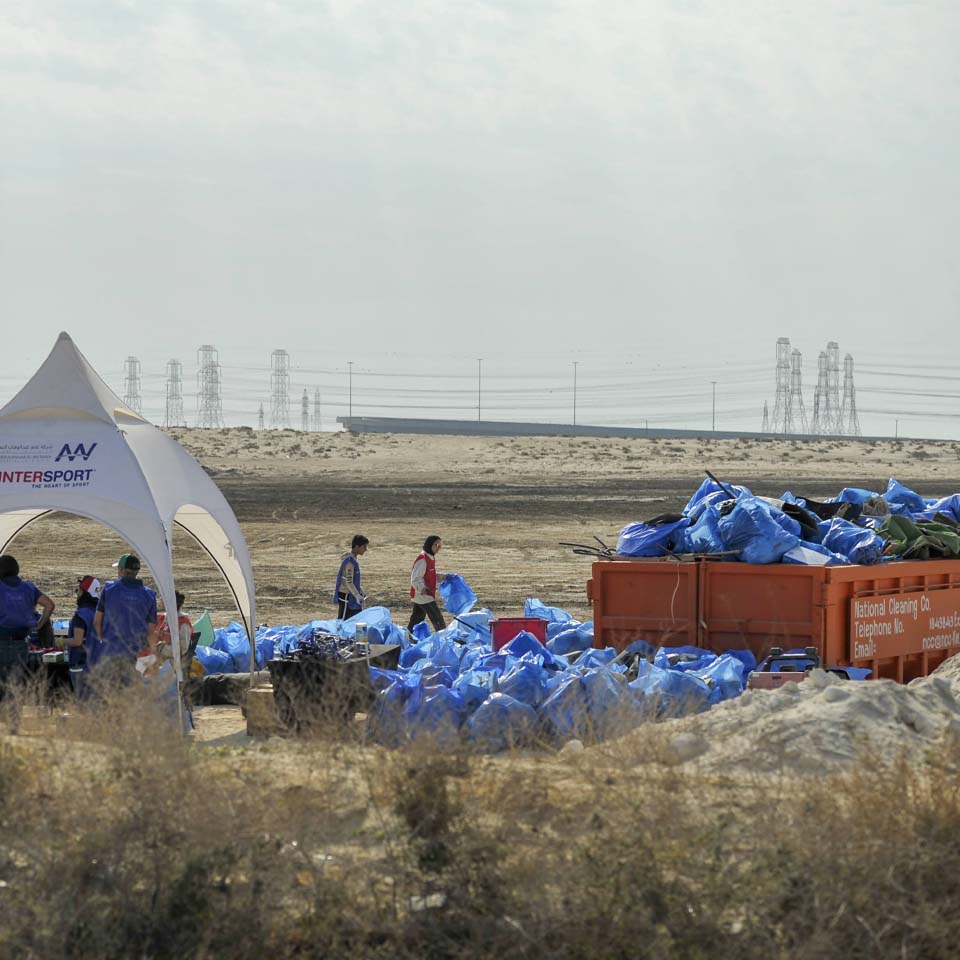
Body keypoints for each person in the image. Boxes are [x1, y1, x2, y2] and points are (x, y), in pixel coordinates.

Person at [93, 553, 157, 687]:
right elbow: (151, 632)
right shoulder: (149, 595)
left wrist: (102, 641)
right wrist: (153, 655)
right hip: (135, 654)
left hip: (111, 652)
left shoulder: (109, 590)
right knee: (131, 693)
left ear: (122, 570)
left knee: (111, 692)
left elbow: (97, 622)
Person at [0, 554, 55, 693]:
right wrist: (39, 624)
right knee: (16, 688)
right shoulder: (29, 588)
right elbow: (49, 604)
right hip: (21, 645)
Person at [66, 575, 102, 697]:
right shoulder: (101, 613)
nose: (78, 593)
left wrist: (61, 642)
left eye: (79, 590)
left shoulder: (81, 615)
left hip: (81, 666)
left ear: (84, 593)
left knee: (83, 706)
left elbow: (77, 641)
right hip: (98, 665)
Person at [408, 534, 447, 634]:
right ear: (429, 545)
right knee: (437, 618)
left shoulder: (430, 558)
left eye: (439, 546)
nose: (438, 548)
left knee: (416, 619)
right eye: (436, 545)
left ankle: (408, 637)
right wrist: (423, 588)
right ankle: (444, 638)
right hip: (423, 595)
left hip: (423, 596)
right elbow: (415, 578)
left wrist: (443, 577)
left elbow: (430, 574)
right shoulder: (422, 559)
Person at [334, 535, 368, 620]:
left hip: (351, 594)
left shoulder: (353, 560)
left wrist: (360, 591)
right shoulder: (350, 562)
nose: (365, 549)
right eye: (364, 547)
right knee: (344, 620)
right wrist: (357, 595)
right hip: (346, 595)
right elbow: (348, 582)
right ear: (357, 547)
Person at [156, 590, 193, 667]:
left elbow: (183, 649)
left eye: (163, 599)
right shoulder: (165, 618)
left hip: (172, 664)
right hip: (161, 659)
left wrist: (160, 649)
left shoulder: (183, 623)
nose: (161, 601)